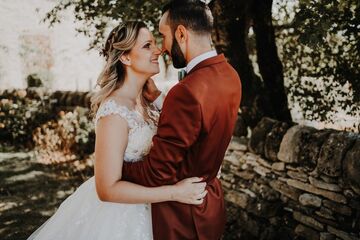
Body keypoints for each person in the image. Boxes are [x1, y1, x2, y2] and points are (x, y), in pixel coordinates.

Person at [27, 21, 208, 240]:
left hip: (155, 211)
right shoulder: (115, 112)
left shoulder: (147, 102)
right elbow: (107, 189)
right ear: (125, 57)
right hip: (118, 218)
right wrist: (174, 193)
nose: (158, 50)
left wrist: (158, 98)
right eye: (147, 45)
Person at [121, 0, 242, 239]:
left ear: (180, 33)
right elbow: (201, 122)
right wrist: (157, 98)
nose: (163, 48)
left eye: (163, 36)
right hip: (210, 206)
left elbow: (157, 173)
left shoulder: (186, 91)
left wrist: (113, 169)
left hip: (180, 218)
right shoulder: (230, 75)